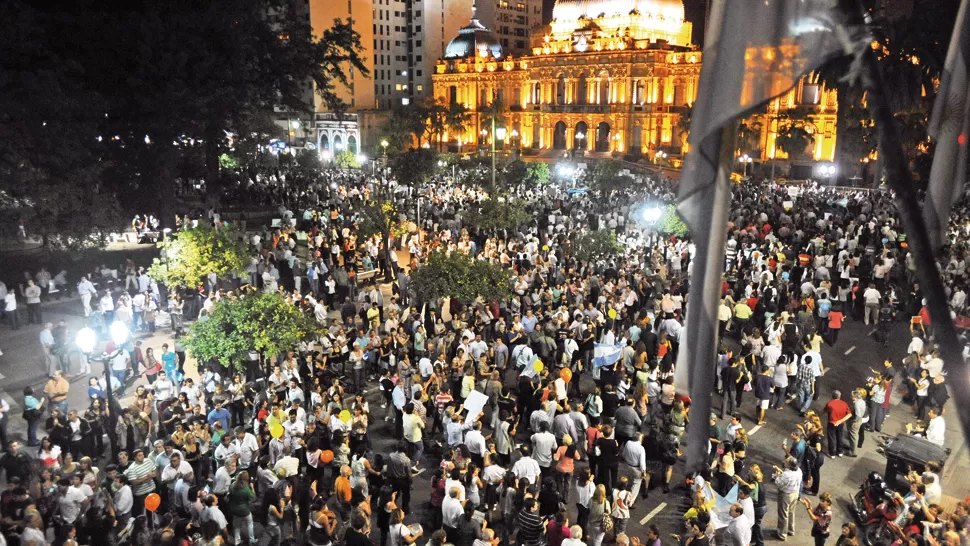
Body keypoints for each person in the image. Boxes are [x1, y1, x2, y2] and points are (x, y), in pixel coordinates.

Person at [773, 457, 802, 541]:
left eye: (786, 461)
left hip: (785, 495)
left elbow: (778, 483)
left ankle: (782, 534)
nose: (784, 461)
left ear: (789, 465)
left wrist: (777, 476)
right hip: (795, 493)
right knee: (791, 512)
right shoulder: (799, 471)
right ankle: (790, 530)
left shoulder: (786, 475)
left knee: (783, 514)